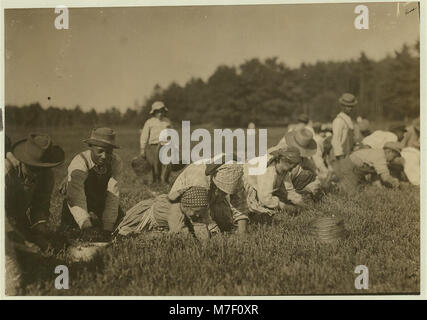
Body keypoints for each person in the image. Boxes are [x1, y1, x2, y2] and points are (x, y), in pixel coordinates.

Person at [5, 133, 65, 251]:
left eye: (43, 168)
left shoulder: (46, 175)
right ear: (22, 161)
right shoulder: (6, 172)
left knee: (41, 244)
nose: (37, 173)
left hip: (18, 219)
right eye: (33, 168)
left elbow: (40, 206)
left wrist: (40, 231)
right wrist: (23, 242)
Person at [60, 127, 123, 239]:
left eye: (108, 152)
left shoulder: (115, 162)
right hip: (79, 200)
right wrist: (86, 225)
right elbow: (76, 196)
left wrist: (107, 228)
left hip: (101, 200)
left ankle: (101, 222)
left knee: (119, 227)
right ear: (91, 147)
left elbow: (113, 195)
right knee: (70, 232)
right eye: (100, 151)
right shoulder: (80, 162)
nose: (104, 156)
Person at [168, 156, 249, 234]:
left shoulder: (235, 173)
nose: (224, 193)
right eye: (222, 190)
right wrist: (213, 228)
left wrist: (243, 232)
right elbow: (199, 210)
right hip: (184, 204)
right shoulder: (198, 176)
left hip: (211, 200)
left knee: (226, 225)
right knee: (180, 230)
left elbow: (240, 204)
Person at [115, 186, 210, 238]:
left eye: (200, 212)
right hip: (144, 218)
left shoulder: (190, 208)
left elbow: (201, 224)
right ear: (185, 206)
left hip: (162, 220)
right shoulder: (175, 212)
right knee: (126, 232)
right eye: (196, 211)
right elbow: (181, 234)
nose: (198, 215)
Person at [244, 146, 306, 218]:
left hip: (261, 188)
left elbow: (289, 189)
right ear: (282, 160)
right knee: (263, 212)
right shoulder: (269, 170)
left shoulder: (283, 169)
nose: (293, 167)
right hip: (245, 187)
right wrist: (284, 206)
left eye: (295, 164)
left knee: (279, 196)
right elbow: (265, 199)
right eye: (291, 163)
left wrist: (300, 202)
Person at [270, 128, 321, 197]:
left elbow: (315, 170)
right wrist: (306, 190)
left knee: (309, 174)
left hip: (284, 184)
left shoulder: (302, 158)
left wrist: (316, 182)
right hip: (272, 185)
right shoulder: (282, 154)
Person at [334, 141, 402, 191]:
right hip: (351, 167)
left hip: (354, 167)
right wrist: (394, 181)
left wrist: (379, 189)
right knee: (351, 191)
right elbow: (385, 177)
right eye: (394, 156)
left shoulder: (378, 154)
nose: (394, 159)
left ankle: (338, 184)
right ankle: (334, 187)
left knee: (361, 187)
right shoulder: (381, 157)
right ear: (389, 152)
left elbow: (375, 175)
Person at [139, 101, 173, 183]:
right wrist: (142, 149)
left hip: (166, 144)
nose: (160, 114)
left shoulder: (167, 121)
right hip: (154, 145)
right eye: (158, 112)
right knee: (156, 164)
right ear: (154, 112)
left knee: (168, 163)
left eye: (162, 111)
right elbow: (144, 135)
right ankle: (156, 180)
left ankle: (165, 180)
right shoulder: (150, 122)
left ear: (164, 112)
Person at [331, 93, 357, 160]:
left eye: (351, 106)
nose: (350, 108)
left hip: (348, 154)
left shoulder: (349, 120)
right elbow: (336, 140)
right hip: (340, 156)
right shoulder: (339, 121)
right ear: (342, 106)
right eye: (348, 106)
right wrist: (340, 156)